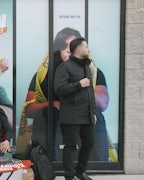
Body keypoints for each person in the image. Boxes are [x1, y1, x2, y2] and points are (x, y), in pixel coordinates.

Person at [22, 27, 109, 162]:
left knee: (97, 116)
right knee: (44, 115)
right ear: (58, 51)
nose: (69, 49)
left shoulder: (94, 72)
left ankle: (91, 166)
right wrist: (53, 104)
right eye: (65, 46)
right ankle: (46, 164)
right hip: (55, 123)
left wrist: (81, 83)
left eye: (74, 45)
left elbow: (102, 104)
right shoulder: (44, 75)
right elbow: (29, 109)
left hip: (82, 119)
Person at [54, 37, 96, 180]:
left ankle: (80, 171)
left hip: (87, 114)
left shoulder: (87, 67)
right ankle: (69, 176)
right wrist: (79, 84)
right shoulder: (65, 67)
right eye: (86, 46)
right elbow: (59, 89)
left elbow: (90, 92)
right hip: (71, 114)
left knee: (89, 142)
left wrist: (93, 112)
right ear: (78, 49)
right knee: (70, 146)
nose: (88, 49)